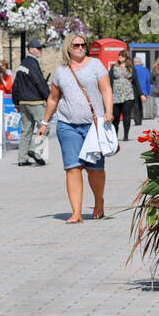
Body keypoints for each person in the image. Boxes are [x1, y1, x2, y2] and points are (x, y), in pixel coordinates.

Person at [39, 34, 113, 223]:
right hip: (67, 125)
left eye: (83, 45)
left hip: (93, 126)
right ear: (68, 48)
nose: (80, 48)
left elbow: (106, 89)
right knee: (73, 167)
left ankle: (99, 201)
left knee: (94, 168)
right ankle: (76, 212)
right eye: (76, 45)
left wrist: (109, 111)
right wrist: (45, 122)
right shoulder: (60, 71)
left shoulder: (95, 65)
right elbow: (53, 98)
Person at [12, 38, 51, 167]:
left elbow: (15, 84)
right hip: (35, 101)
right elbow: (39, 82)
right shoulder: (33, 64)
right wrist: (49, 97)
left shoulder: (22, 64)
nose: (40, 51)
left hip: (23, 102)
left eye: (40, 48)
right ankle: (34, 150)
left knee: (26, 131)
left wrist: (16, 101)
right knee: (45, 127)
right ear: (31, 50)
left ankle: (22, 159)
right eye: (38, 48)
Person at [109, 50, 140, 142]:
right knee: (115, 117)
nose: (120, 57)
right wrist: (108, 93)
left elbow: (136, 81)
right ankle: (115, 135)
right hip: (116, 95)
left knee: (127, 116)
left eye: (122, 56)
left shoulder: (131, 68)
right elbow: (110, 80)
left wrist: (141, 94)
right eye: (119, 55)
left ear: (126, 57)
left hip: (128, 95)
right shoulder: (114, 67)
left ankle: (126, 135)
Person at [133, 55, 151, 127]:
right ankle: (140, 119)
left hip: (134, 89)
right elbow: (148, 81)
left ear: (134, 62)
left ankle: (136, 120)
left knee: (135, 105)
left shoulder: (132, 69)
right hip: (143, 90)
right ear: (140, 62)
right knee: (140, 105)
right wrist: (148, 92)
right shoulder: (145, 69)